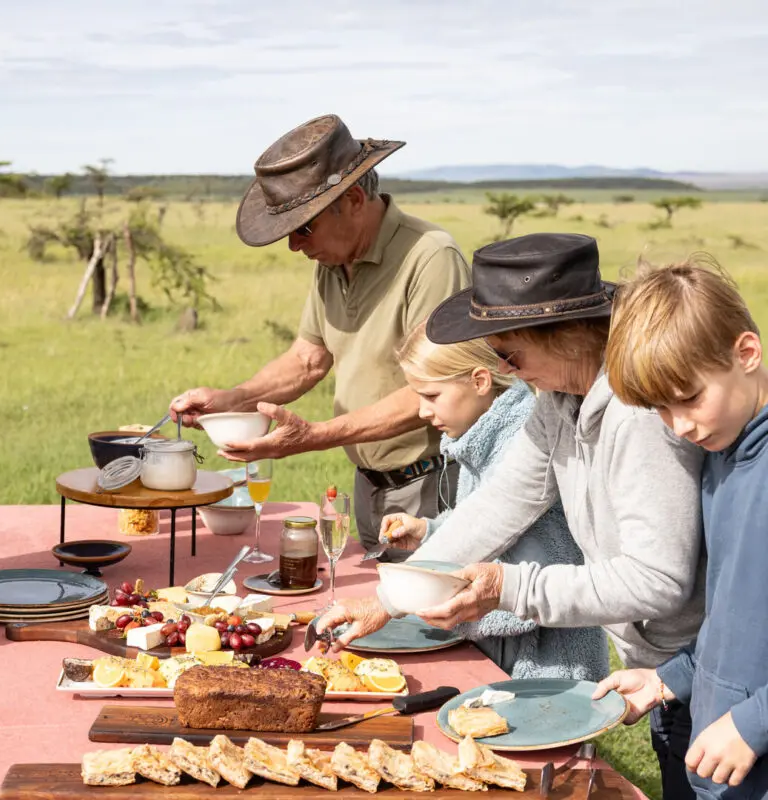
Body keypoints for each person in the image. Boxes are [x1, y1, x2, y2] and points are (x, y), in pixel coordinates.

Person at [318, 233, 705, 799]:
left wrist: (509, 586)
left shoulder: (636, 416)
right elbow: (500, 503)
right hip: (661, 667)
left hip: (705, 669)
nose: (504, 368)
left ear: (567, 336)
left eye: (510, 353)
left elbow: (658, 580)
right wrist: (388, 599)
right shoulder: (559, 400)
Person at [170, 115, 470, 558]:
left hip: (430, 487)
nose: (294, 245)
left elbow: (434, 393)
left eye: (303, 227)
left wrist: (314, 436)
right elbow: (308, 360)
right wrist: (231, 401)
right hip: (368, 487)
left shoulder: (431, 257)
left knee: (426, 621)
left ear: (351, 200)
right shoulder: (332, 261)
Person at [593, 257, 768, 799]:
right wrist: (671, 678)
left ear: (746, 353)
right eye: (660, 411)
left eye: (689, 398)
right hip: (720, 767)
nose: (681, 426)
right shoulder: (720, 457)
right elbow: (734, 618)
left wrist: (754, 722)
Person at [380, 321, 608, 681]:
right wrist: (431, 531)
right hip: (505, 652)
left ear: (480, 381)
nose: (423, 412)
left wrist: (432, 595)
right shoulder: (480, 436)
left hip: (548, 663)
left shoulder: (519, 438)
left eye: (432, 396)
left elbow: (544, 554)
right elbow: (486, 518)